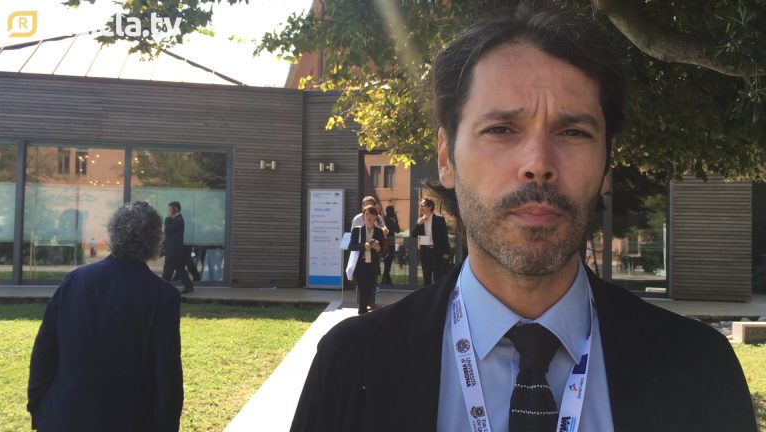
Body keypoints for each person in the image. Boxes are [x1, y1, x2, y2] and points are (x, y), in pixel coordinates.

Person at [290, 3, 757, 432]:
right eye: (501, 129)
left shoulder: (700, 369)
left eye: (573, 132)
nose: (538, 162)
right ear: (446, 158)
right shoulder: (349, 366)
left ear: (607, 164)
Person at [27, 201, 183, 432]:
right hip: (129, 421)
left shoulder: (75, 280)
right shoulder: (162, 296)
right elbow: (167, 376)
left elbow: (44, 351)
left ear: (113, 233)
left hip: (65, 416)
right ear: (156, 239)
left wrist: (38, 409)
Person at [348, 205, 387, 315]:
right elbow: (351, 246)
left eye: (372, 214)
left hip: (372, 264)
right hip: (360, 264)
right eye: (367, 214)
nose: (369, 216)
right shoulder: (357, 230)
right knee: (362, 288)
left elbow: (382, 250)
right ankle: (362, 310)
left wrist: (378, 248)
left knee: (369, 289)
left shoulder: (379, 231)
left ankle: (363, 309)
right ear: (363, 216)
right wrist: (363, 245)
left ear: (376, 217)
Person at [412, 198, 450, 286]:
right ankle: (427, 294)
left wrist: (446, 252)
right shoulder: (420, 220)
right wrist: (419, 224)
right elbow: (414, 234)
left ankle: (438, 294)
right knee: (426, 278)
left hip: (436, 252)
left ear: (430, 207)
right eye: (420, 205)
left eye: (423, 205)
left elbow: (444, 236)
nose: (421, 207)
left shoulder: (439, 219)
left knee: (438, 277)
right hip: (425, 252)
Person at [162, 201, 193, 294]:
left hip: (173, 250)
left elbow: (168, 230)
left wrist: (167, 218)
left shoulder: (178, 219)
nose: (168, 210)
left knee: (168, 269)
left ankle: (162, 287)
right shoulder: (176, 219)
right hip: (174, 249)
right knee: (179, 269)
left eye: (170, 208)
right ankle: (188, 286)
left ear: (175, 209)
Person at [380, 204, 401, 285]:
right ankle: (385, 280)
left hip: (389, 242)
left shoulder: (385, 219)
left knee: (388, 262)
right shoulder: (389, 220)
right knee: (388, 261)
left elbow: (397, 230)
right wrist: (396, 220)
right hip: (389, 242)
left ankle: (386, 280)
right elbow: (397, 230)